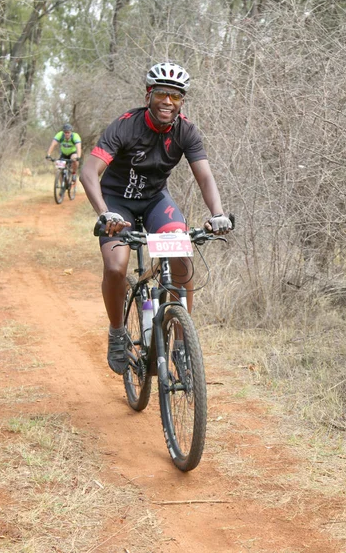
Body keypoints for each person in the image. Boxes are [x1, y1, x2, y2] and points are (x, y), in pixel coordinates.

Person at [80, 61, 232, 375]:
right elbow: (89, 172)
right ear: (149, 94)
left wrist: (217, 214)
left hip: (154, 201)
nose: (167, 101)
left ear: (182, 102)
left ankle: (181, 343)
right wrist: (103, 212)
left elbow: (204, 177)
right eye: (161, 93)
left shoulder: (186, 131)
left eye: (175, 96)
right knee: (115, 266)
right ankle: (117, 332)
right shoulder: (125, 126)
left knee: (181, 255)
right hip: (116, 203)